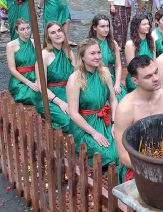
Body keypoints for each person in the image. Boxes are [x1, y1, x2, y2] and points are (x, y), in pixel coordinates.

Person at [114, 55, 163, 182]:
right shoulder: (125, 109)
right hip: (137, 162)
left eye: (156, 72)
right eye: (148, 76)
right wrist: (154, 170)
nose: (156, 78)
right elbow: (124, 156)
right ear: (135, 81)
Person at [67, 38, 118, 166]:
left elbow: (113, 99)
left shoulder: (104, 72)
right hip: (85, 124)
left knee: (121, 148)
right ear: (82, 57)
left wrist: (115, 123)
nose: (97, 57)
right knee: (109, 155)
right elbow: (73, 114)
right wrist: (94, 133)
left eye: (98, 52)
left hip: (104, 120)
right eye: (92, 53)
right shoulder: (75, 79)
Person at [35, 22, 74, 132]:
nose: (57, 34)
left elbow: (77, 76)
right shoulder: (43, 55)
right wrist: (60, 103)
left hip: (69, 92)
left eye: (59, 30)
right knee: (70, 122)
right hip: (50, 97)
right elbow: (41, 87)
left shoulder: (69, 52)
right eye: (53, 32)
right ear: (48, 37)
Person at [88, 14, 127, 102]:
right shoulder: (89, 44)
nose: (106, 29)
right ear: (95, 27)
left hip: (111, 77)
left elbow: (118, 65)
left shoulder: (113, 44)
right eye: (102, 26)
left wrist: (117, 84)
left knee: (121, 100)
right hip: (95, 78)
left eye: (107, 26)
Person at [7, 19, 39, 104]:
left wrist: (38, 80)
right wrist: (29, 83)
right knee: (33, 97)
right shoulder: (11, 45)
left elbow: (39, 63)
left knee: (46, 94)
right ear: (17, 31)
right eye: (22, 29)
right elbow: (12, 69)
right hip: (19, 81)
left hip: (35, 77)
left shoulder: (34, 42)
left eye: (28, 28)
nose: (26, 31)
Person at [125, 14, 155, 92]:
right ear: (137, 27)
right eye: (144, 24)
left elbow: (154, 62)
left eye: (148, 24)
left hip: (150, 76)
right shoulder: (130, 44)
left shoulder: (151, 41)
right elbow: (131, 68)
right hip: (136, 79)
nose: (147, 26)